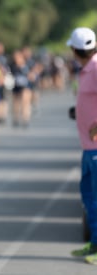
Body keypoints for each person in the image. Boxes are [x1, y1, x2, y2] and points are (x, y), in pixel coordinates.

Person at [67, 27, 97, 265]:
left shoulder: (96, 67)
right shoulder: (86, 70)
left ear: (75, 50)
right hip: (88, 147)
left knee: (96, 197)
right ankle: (95, 242)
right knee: (88, 195)